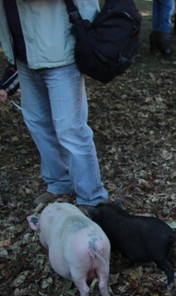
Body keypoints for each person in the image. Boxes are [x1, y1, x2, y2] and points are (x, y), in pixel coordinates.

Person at [0, 0, 110, 211]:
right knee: (38, 124)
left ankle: (92, 198)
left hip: (59, 51)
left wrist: (90, 35)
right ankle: (59, 183)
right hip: (23, 54)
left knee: (71, 129)